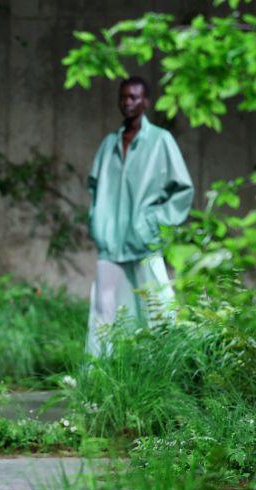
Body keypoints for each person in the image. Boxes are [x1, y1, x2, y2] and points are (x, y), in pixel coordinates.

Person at [85, 76, 194, 356]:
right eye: (123, 97)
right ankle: (97, 375)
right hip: (110, 244)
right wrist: (99, 223)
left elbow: (183, 189)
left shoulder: (160, 141)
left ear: (146, 101)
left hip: (144, 241)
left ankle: (168, 370)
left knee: (158, 309)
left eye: (134, 97)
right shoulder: (109, 144)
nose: (127, 103)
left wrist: (154, 221)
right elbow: (95, 188)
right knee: (103, 311)